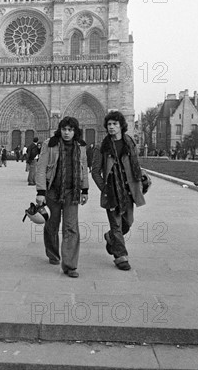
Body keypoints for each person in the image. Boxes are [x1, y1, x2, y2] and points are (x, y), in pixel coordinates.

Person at [91, 111, 146, 271]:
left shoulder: (130, 143)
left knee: (127, 223)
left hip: (129, 190)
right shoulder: (102, 147)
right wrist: (105, 188)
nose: (111, 127)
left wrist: (140, 181)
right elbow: (95, 171)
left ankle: (110, 238)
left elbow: (136, 165)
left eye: (114, 124)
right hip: (112, 191)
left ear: (121, 125)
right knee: (116, 225)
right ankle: (121, 256)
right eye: (109, 124)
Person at [36, 117, 88, 278]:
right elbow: (41, 168)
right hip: (53, 191)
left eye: (70, 130)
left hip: (72, 192)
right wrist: (40, 192)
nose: (67, 133)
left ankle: (70, 265)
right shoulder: (50, 144)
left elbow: (84, 168)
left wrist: (85, 189)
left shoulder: (81, 146)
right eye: (64, 129)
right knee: (52, 225)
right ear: (60, 130)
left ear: (75, 131)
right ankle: (53, 253)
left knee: (71, 228)